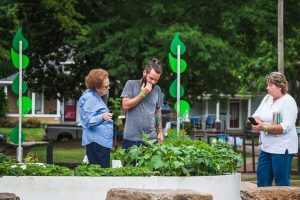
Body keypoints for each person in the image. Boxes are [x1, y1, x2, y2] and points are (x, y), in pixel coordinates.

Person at [252, 71, 298, 187]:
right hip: (266, 147)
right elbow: (255, 115)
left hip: (281, 148)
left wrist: (264, 127)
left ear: (280, 86)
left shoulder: (288, 102)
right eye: (267, 85)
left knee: (281, 183)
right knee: (262, 180)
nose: (267, 88)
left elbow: (285, 127)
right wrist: (259, 123)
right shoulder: (267, 98)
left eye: (270, 85)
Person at [121, 58, 163, 149]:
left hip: (151, 139)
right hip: (131, 138)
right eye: (151, 78)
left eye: (156, 80)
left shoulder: (157, 89)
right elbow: (125, 106)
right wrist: (143, 94)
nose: (153, 82)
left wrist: (160, 132)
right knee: (130, 164)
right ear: (145, 73)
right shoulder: (131, 84)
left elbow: (158, 112)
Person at [78, 69, 113, 168]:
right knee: (100, 176)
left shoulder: (96, 96)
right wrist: (102, 117)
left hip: (100, 142)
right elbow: (87, 121)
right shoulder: (90, 98)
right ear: (96, 87)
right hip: (97, 143)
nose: (108, 88)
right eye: (106, 86)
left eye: (109, 85)